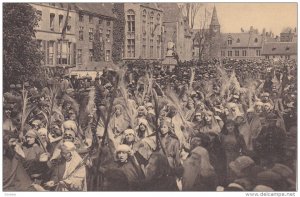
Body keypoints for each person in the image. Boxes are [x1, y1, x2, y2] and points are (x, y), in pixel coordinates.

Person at [220, 120, 248, 184]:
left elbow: (244, 147)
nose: (230, 127)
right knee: (226, 171)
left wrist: (242, 155)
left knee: (235, 171)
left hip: (236, 155)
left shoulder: (239, 136)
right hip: (225, 156)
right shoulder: (222, 136)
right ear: (225, 127)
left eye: (232, 126)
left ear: (234, 127)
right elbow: (220, 147)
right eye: (228, 126)